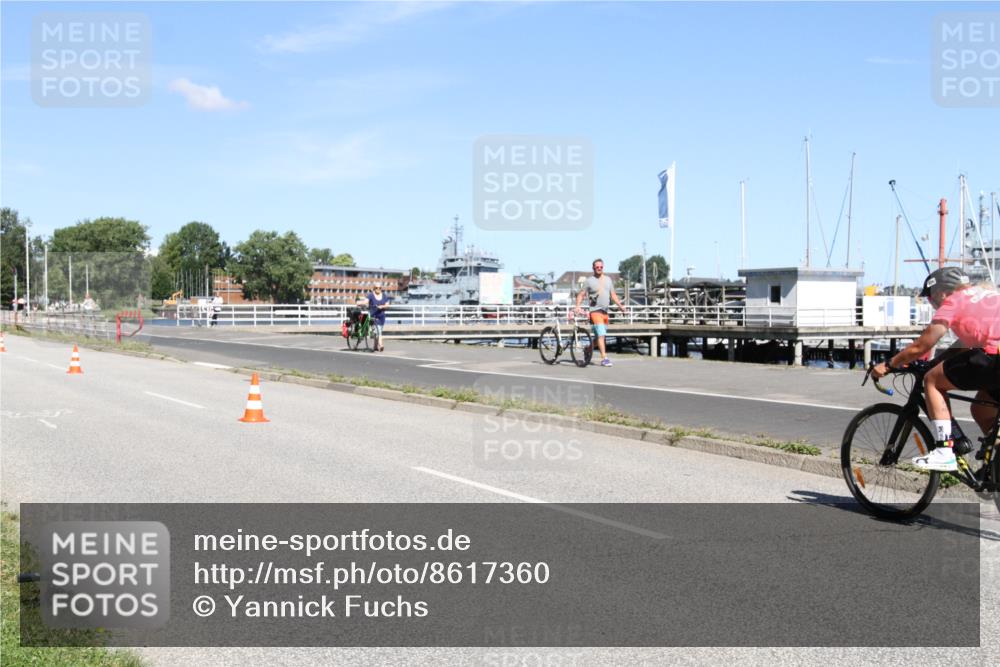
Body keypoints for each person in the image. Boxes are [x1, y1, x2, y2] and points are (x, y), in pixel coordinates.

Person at [872, 266, 1000, 471]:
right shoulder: (985, 294)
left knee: (932, 380)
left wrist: (888, 364)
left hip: (994, 356)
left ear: (940, 292)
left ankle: (944, 452)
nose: (932, 304)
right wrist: (936, 362)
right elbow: (966, 343)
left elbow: (921, 345)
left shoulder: (954, 300)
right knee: (981, 409)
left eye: (931, 299)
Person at [575, 258, 626, 367]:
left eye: (601, 267)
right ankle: (604, 358)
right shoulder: (589, 281)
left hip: (605, 312)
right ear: (593, 268)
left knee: (600, 336)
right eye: (597, 267)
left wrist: (621, 306)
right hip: (594, 311)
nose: (599, 268)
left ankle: (587, 349)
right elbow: (581, 294)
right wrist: (577, 306)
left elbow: (613, 295)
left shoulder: (608, 280)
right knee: (601, 335)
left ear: (603, 267)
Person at [367, 283, 390, 352]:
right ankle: (381, 345)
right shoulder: (371, 295)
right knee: (378, 331)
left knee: (378, 332)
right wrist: (362, 302)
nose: (378, 289)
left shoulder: (384, 295)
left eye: (380, 288)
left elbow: (387, 305)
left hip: (381, 316)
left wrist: (382, 306)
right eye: (377, 288)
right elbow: (366, 301)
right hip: (373, 316)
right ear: (374, 288)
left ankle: (375, 346)